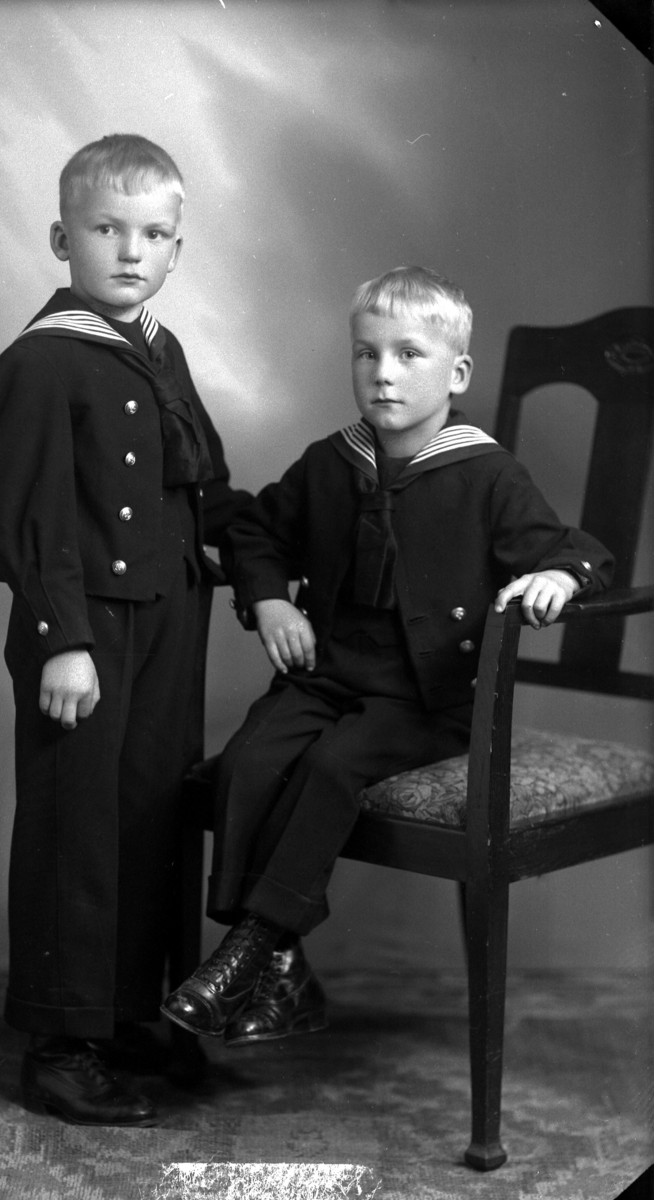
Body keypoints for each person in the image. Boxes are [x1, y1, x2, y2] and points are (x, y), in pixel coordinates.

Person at [162, 265, 614, 1048]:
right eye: (367, 354)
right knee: (247, 760)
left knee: (331, 765)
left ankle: (246, 952)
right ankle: (283, 965)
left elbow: (577, 550)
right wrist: (269, 600)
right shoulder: (331, 462)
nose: (384, 373)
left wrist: (557, 576)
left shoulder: (487, 474)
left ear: (456, 373)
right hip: (327, 677)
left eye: (408, 355)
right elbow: (255, 532)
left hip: (425, 699)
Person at [0, 134, 251, 1126]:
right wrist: (62, 638)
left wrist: (273, 564)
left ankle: (126, 1014)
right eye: (105, 230)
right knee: (77, 827)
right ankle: (60, 1045)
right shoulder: (42, 361)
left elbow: (203, 486)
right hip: (87, 631)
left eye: (154, 235)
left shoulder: (160, 350)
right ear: (63, 239)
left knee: (148, 817)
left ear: (177, 247)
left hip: (172, 619)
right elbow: (30, 512)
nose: (131, 252)